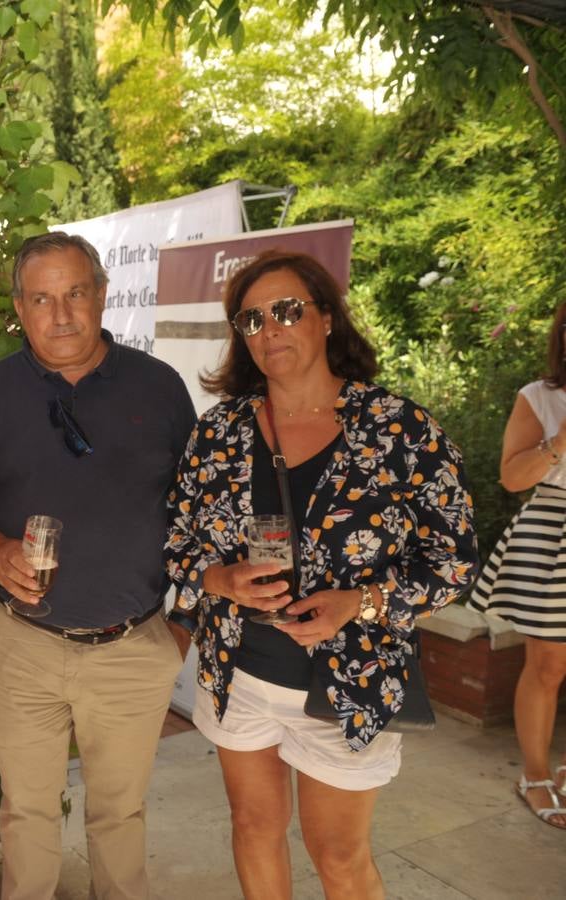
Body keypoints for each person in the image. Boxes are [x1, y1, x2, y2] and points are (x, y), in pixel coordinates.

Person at [165, 250, 478, 899]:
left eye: (285, 311)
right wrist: (218, 581)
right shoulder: (219, 433)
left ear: (328, 317)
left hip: (352, 681)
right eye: (250, 320)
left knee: (338, 857)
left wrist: (359, 601)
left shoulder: (398, 430)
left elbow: (454, 563)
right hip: (240, 671)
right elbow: (176, 539)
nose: (268, 330)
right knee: (253, 827)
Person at [0, 232, 194, 899]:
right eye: (42, 298)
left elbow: (202, 512)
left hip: (132, 644)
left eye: (74, 294)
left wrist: (180, 628)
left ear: (101, 295)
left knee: (119, 817)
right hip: (20, 642)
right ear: (19, 307)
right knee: (27, 815)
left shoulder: (158, 388)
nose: (60, 314)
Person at [469, 299, 566, 829]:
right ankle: (534, 773)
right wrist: (561, 442)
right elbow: (511, 477)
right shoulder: (540, 398)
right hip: (553, 530)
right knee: (548, 665)